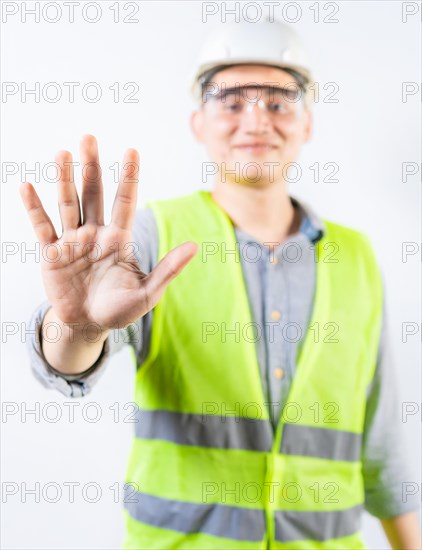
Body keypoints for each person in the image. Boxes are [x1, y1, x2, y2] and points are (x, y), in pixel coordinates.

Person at [21, 19, 421, 550]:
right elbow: (65, 366)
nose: (256, 119)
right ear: (198, 123)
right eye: (231, 102)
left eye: (279, 102)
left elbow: (383, 446)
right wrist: (77, 328)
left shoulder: (358, 257)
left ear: (307, 124)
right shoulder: (150, 238)